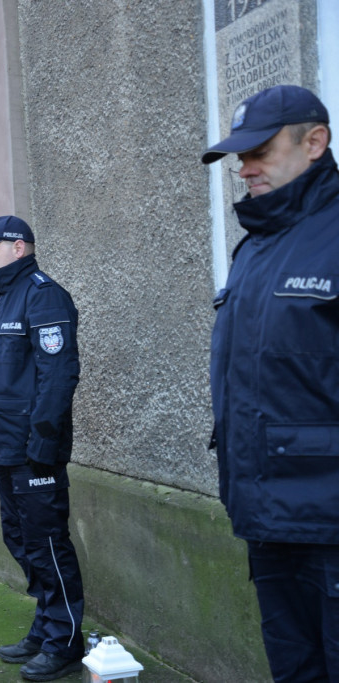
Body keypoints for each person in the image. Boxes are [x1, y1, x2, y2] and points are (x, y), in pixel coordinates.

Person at [202, 84, 339, 681]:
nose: (243, 167)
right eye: (238, 154)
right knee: (294, 669)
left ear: (315, 142)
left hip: (331, 520)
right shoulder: (255, 248)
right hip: (268, 514)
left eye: (259, 150)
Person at [0, 216, 84, 681]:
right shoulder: (6, 298)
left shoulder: (43, 294)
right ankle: (47, 623)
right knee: (20, 539)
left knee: (47, 543)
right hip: (6, 447)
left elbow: (58, 376)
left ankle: (65, 641)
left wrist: (43, 445)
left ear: (19, 247)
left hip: (34, 452)